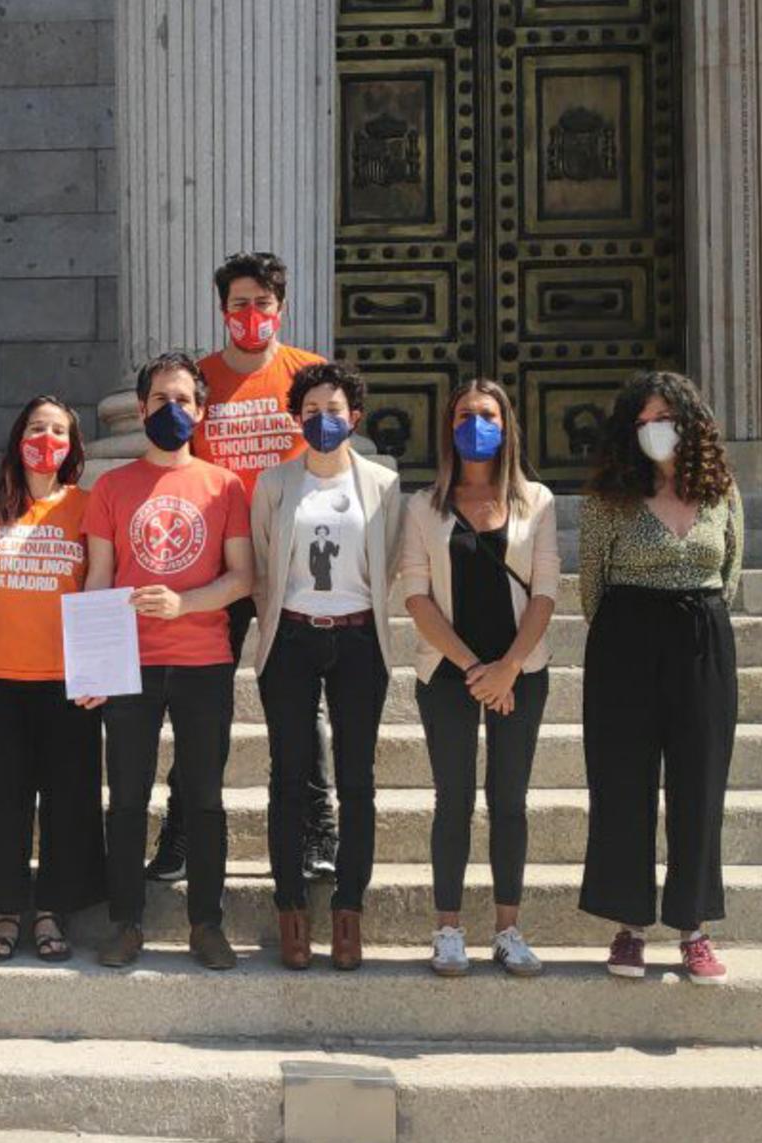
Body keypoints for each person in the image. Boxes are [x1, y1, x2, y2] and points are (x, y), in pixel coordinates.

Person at [148, 251, 340, 885]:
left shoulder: (307, 374)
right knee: (201, 702)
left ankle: (319, 830)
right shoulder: (198, 381)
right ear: (222, 309)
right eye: (239, 304)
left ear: (280, 308)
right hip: (217, 568)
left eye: (262, 303)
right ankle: (180, 833)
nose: (251, 314)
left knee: (302, 702)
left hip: (293, 562)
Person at [84, 353, 254, 971]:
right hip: (129, 664)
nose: (172, 409)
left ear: (201, 410)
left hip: (204, 660)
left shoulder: (225, 485)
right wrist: (93, 667)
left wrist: (185, 604)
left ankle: (206, 924)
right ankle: (125, 923)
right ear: (141, 407)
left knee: (204, 798)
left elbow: (242, 578)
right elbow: (99, 580)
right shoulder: (110, 488)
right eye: (160, 399)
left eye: (183, 400)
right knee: (127, 798)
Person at [578, 371, 745, 985]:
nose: (654, 431)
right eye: (643, 422)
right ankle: (629, 927)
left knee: (699, 782)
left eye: (665, 420)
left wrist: (693, 619)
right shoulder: (609, 498)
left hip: (701, 636)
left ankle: (693, 928)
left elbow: (730, 571)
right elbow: (591, 585)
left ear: (691, 424)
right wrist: (633, 629)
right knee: (623, 780)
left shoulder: (721, 492)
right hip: (625, 637)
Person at [397, 379, 558, 978]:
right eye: (465, 415)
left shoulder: (537, 500)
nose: (476, 425)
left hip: (522, 669)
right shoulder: (424, 505)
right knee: (454, 799)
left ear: (506, 424)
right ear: (449, 427)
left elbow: (545, 593)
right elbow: (416, 597)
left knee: (509, 800)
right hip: (449, 670)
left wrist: (508, 667)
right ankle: (448, 929)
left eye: (487, 415)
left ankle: (508, 930)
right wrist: (474, 669)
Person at [249, 361, 402, 971]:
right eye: (311, 411)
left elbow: (389, 560)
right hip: (291, 638)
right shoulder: (274, 483)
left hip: (359, 640)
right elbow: (263, 564)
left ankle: (348, 911)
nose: (323, 420)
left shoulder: (383, 484)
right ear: (296, 418)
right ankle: (290, 909)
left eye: (334, 410)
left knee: (357, 779)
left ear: (354, 416)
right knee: (287, 778)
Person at [0, 396, 105, 963]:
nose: (47, 439)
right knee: (2, 797)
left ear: (73, 445)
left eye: (59, 430)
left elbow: (99, 585)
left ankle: (52, 910)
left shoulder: (88, 506)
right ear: (18, 437)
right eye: (37, 428)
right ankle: (4, 909)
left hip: (69, 677)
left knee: (69, 797)